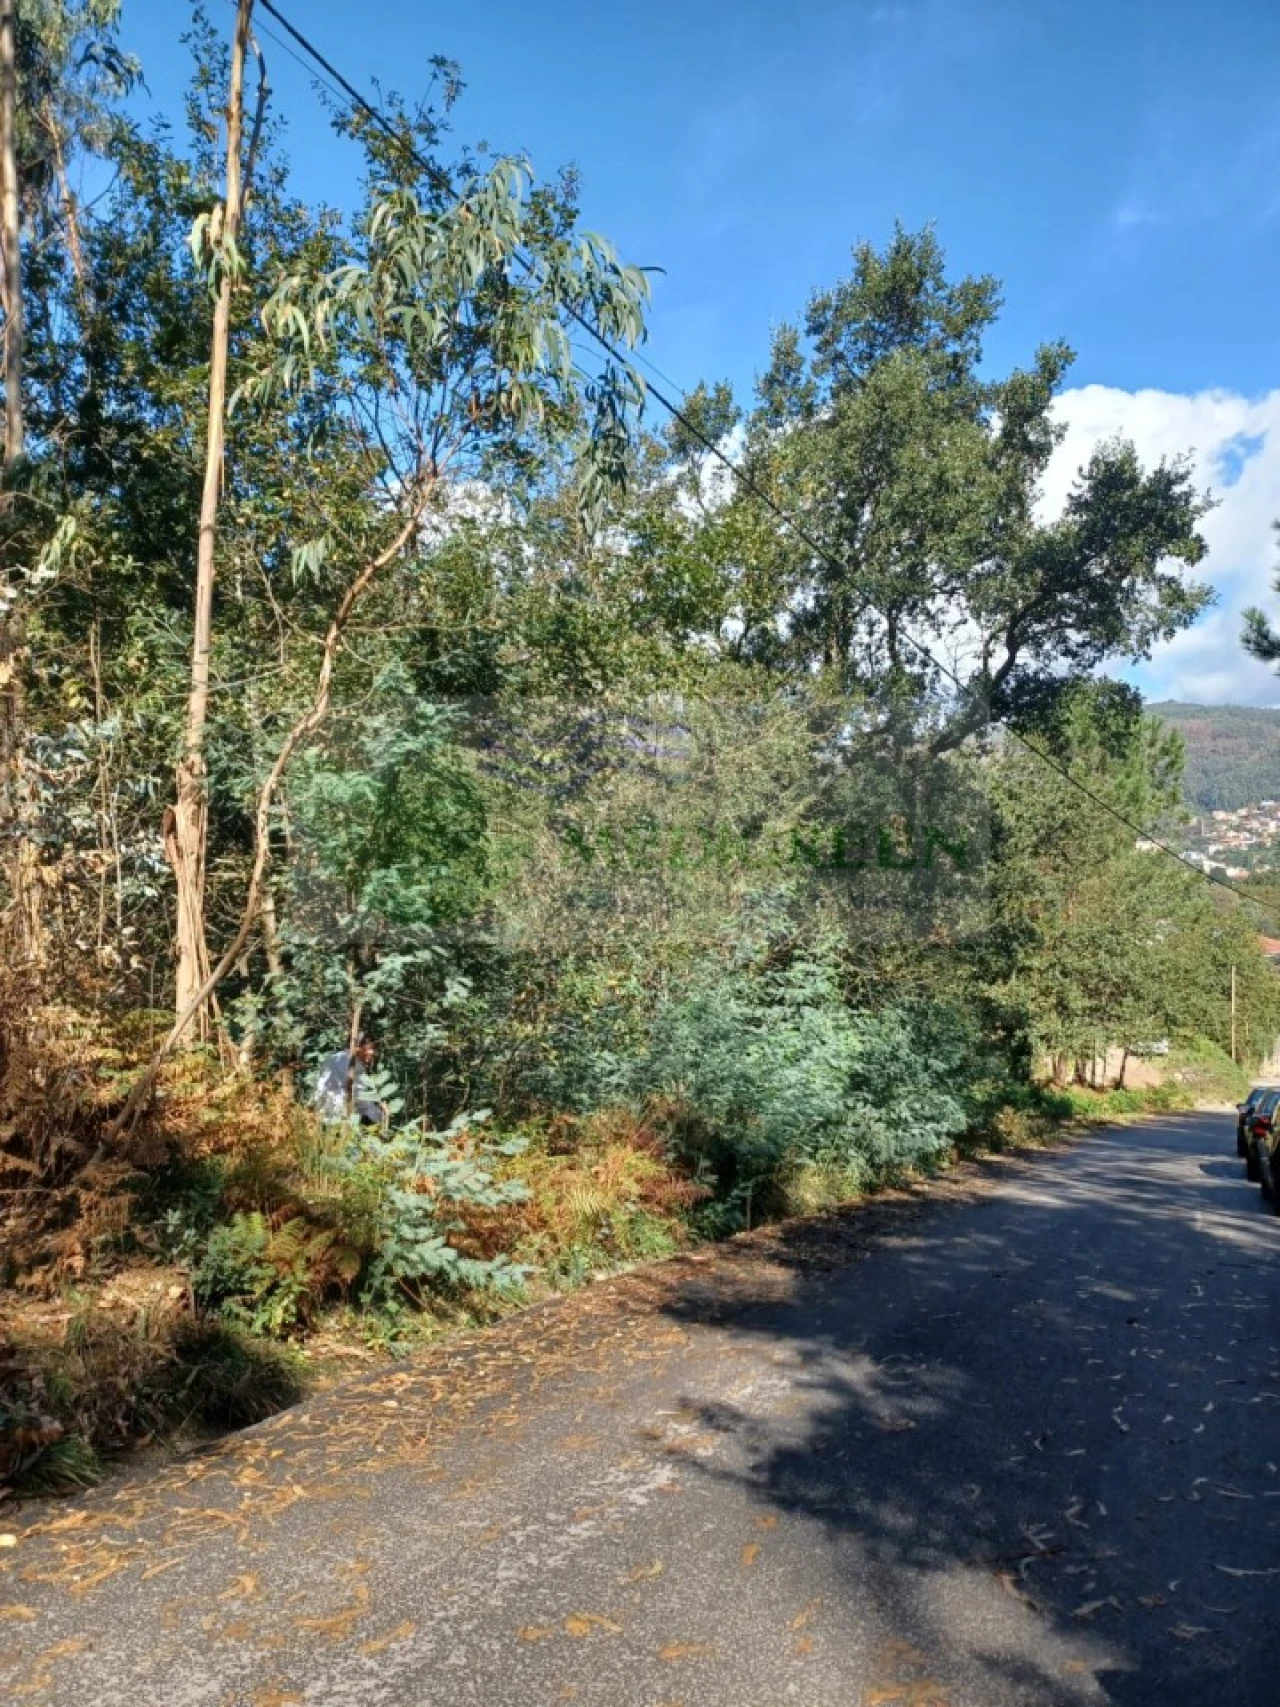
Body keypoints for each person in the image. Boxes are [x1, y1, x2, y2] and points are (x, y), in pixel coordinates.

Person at [313, 1035, 387, 1127]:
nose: (372, 1052)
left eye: (373, 1049)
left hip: (321, 1113)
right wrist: (381, 1116)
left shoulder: (334, 1057)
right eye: (368, 1048)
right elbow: (361, 1100)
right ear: (358, 1048)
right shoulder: (355, 1066)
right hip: (339, 1117)